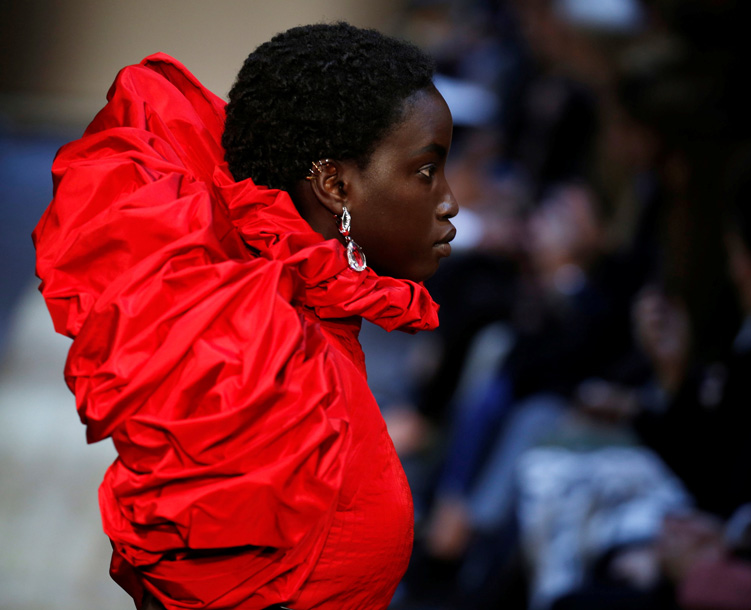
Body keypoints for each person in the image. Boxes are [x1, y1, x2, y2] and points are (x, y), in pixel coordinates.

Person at [32, 22, 457, 610]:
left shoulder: (296, 316)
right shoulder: (259, 363)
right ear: (335, 184)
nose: (450, 201)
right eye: (426, 171)